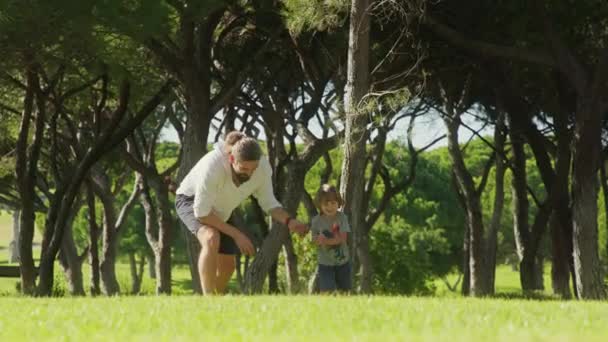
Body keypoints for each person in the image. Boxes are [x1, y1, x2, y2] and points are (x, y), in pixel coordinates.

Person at [175, 131, 308, 295]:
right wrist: (237, 234)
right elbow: (202, 213)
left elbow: (269, 204)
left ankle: (216, 301)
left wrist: (290, 221)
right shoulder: (213, 166)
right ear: (231, 159)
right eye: (244, 168)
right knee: (211, 238)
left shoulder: (262, 168)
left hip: (222, 209)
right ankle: (207, 299)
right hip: (192, 201)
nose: (249, 174)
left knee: (228, 266)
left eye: (254, 169)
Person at [310, 184, 352, 293]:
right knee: (327, 290)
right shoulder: (316, 221)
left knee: (345, 290)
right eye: (326, 204)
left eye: (333, 203)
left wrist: (326, 240)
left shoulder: (342, 218)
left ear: (338, 203)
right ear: (320, 205)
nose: (330, 207)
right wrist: (318, 239)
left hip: (342, 261)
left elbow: (343, 238)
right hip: (325, 262)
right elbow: (313, 239)